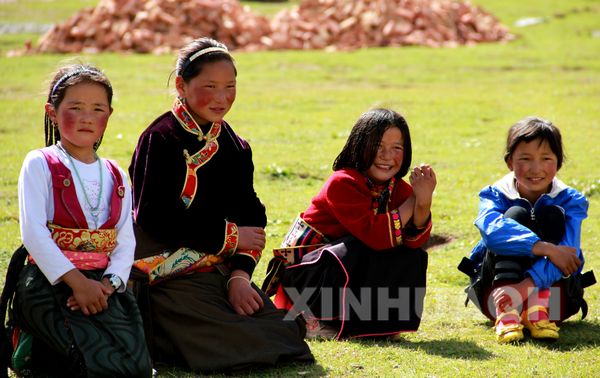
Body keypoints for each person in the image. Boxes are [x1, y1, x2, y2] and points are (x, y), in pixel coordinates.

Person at [128, 37, 313, 373]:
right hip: (159, 270)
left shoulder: (234, 146)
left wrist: (240, 277)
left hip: (215, 269)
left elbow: (252, 217)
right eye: (209, 86)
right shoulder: (160, 138)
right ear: (182, 85)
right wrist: (230, 238)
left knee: (287, 330)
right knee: (229, 339)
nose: (221, 97)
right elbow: (153, 217)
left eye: (230, 86)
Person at [8, 64, 152, 377]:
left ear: (109, 116)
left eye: (97, 108)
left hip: (103, 286)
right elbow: (33, 234)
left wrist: (106, 285)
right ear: (52, 112)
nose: (87, 117)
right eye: (75, 107)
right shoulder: (40, 163)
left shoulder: (116, 172)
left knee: (136, 367)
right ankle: (31, 342)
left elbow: (125, 241)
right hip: (50, 279)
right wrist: (77, 283)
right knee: (84, 363)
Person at [262, 108, 436, 339]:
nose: (386, 155)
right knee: (354, 247)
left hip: (345, 274)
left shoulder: (398, 188)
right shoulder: (343, 182)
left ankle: (377, 324)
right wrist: (414, 200)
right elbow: (374, 235)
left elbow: (415, 243)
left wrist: (423, 203)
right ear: (359, 145)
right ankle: (310, 317)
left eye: (397, 148)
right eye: (377, 146)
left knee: (409, 254)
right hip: (307, 278)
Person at [464, 116, 591, 343]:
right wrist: (544, 248)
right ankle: (506, 314)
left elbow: (569, 254)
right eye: (525, 158)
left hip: (555, 301)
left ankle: (537, 308)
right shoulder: (494, 195)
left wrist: (527, 286)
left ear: (559, 163)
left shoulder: (571, 201)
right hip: (496, 295)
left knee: (553, 216)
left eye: (546, 158)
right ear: (509, 162)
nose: (536, 168)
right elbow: (492, 232)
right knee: (515, 215)